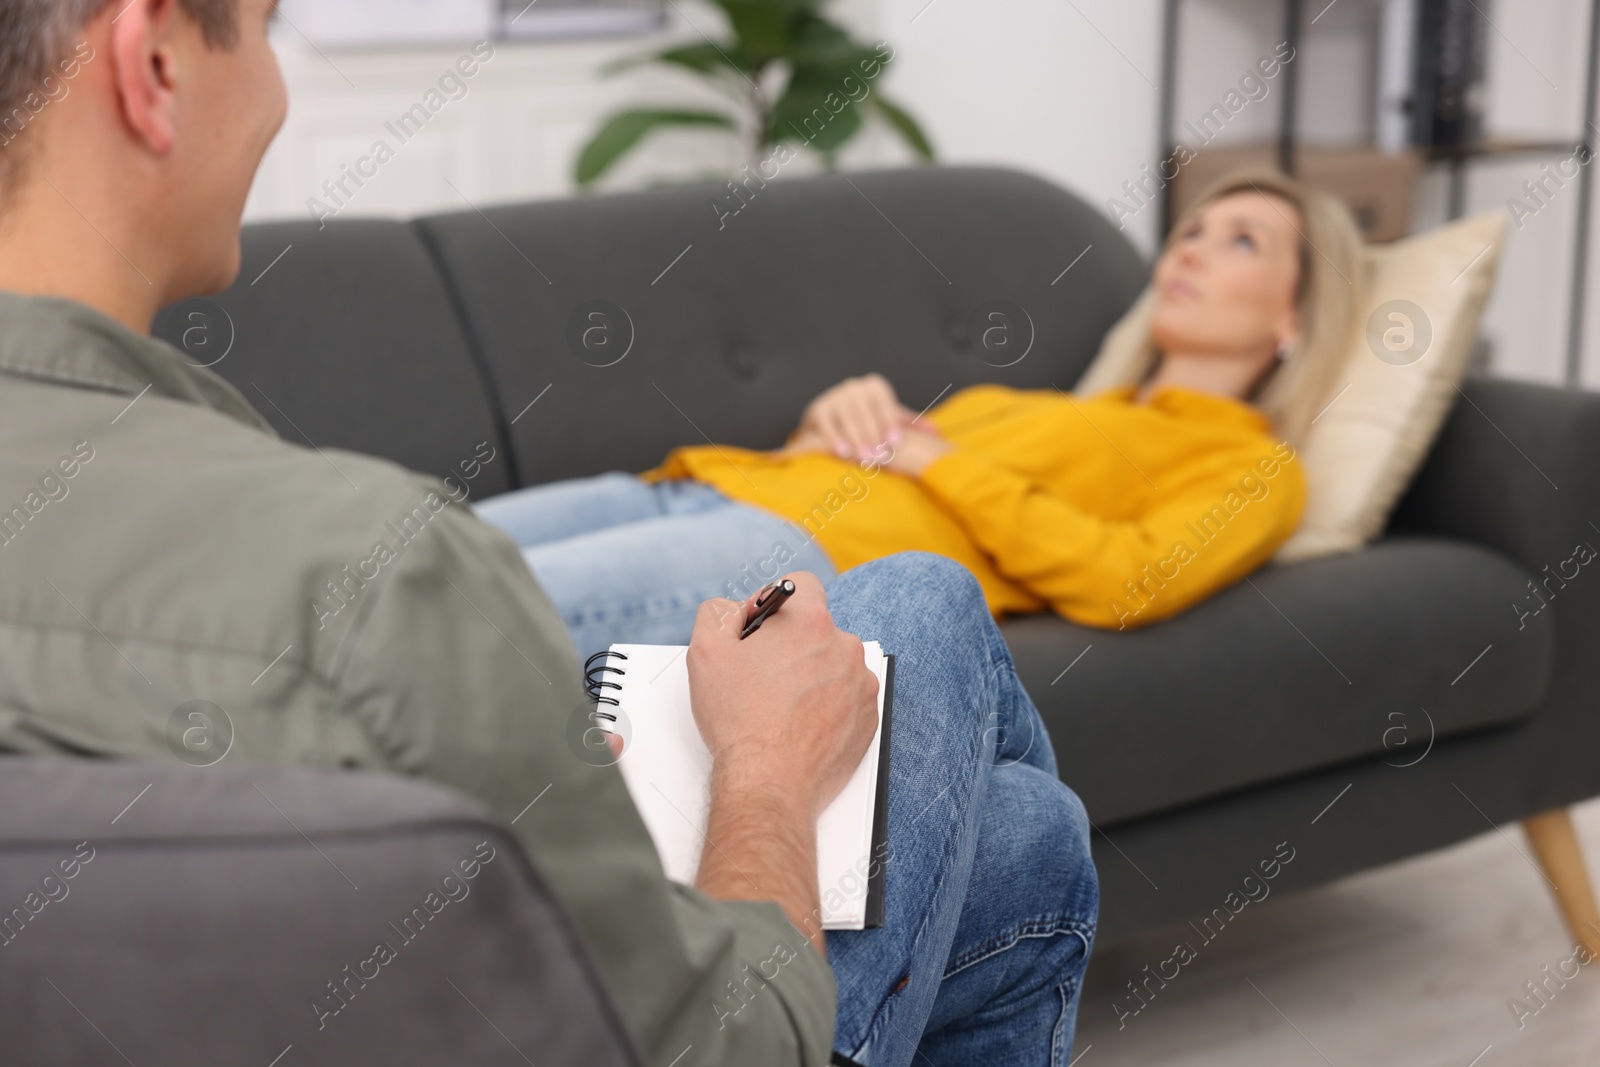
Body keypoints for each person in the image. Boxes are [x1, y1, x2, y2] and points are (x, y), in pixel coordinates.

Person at [0, 2, 1096, 1066]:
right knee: (932, 622)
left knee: (1024, 840)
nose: (279, 93)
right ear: (152, 69)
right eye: (269, 26)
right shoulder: (378, 577)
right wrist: (765, 770)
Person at [477, 169, 1365, 657]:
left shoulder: (1254, 467)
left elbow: (1124, 579)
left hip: (806, 553)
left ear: (1293, 316)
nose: (1193, 252)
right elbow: (879, 462)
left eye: (1241, 241)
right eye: (1192, 232)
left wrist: (934, 461)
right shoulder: (1060, 407)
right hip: (704, 488)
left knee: (462, 609)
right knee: (415, 547)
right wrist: (831, 425)